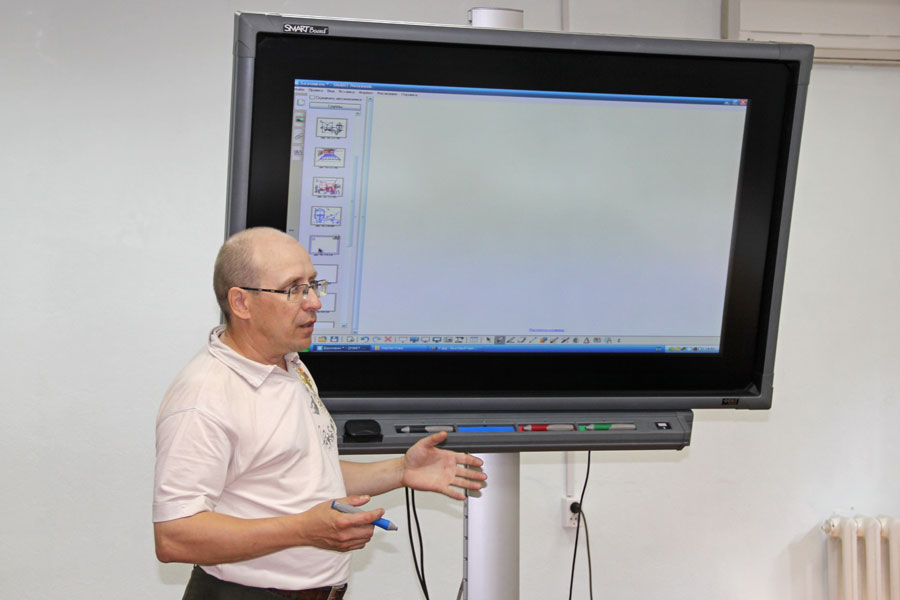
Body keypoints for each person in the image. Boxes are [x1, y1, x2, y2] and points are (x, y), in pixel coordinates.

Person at [153, 227, 486, 599]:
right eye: (293, 289)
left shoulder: (288, 364)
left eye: (313, 285)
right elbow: (174, 536)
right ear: (241, 302)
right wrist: (304, 530)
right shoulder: (204, 397)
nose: (314, 302)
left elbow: (300, 471)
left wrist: (401, 470)